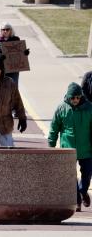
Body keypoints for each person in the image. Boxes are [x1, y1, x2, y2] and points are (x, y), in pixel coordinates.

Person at [48, 82, 92, 212]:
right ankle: (76, 201)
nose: (75, 100)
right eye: (73, 98)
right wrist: (51, 143)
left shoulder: (89, 108)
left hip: (87, 149)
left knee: (87, 173)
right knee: (70, 176)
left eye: (78, 97)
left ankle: (83, 191)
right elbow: (54, 127)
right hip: (68, 148)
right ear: (68, 97)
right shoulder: (61, 108)